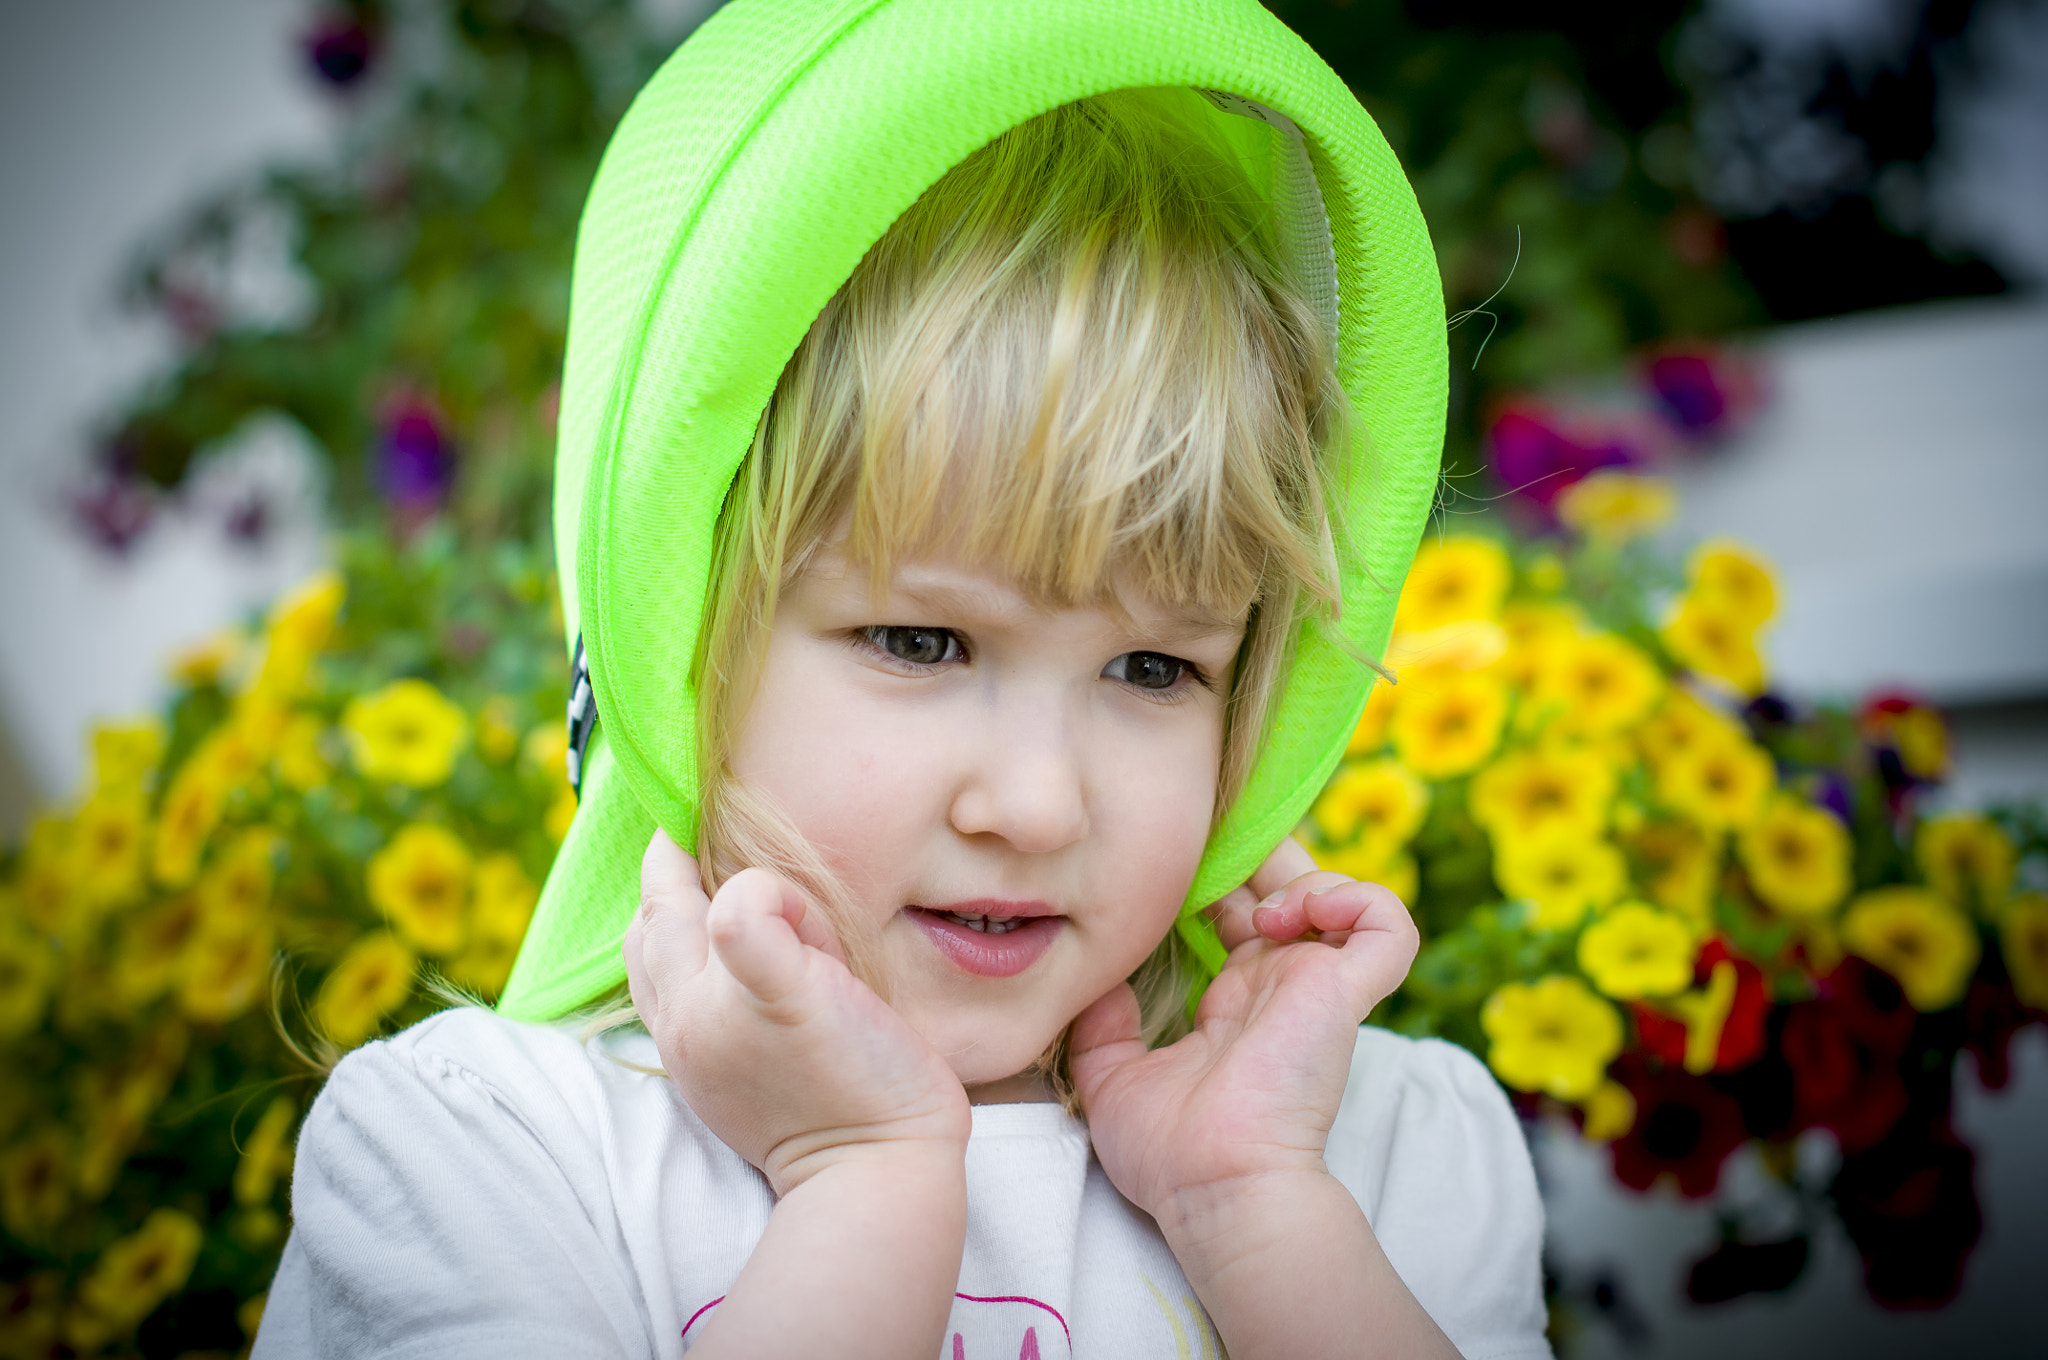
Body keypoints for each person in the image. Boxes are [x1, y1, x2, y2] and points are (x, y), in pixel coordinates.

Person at [255, 1, 1549, 1356]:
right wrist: (860, 1178)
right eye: (922, 643)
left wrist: (1254, 1210)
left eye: (1156, 667)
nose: (1040, 806)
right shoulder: (494, 1153)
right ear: (673, 627)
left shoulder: (1372, 1148)